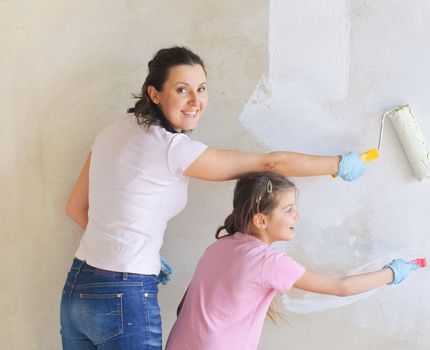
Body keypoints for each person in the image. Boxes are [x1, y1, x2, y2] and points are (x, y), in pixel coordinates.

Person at [60, 46, 368, 349]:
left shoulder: (113, 131)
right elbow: (269, 164)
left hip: (78, 286)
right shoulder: (172, 149)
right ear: (155, 94)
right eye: (182, 90)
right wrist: (337, 164)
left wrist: (126, 248)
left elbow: (76, 208)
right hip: (124, 294)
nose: (196, 101)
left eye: (202, 89)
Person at [165, 172, 420, 350]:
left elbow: (182, 308)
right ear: (261, 221)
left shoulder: (218, 247)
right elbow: (341, 287)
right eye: (288, 210)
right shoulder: (270, 262)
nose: (297, 215)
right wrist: (391, 273)